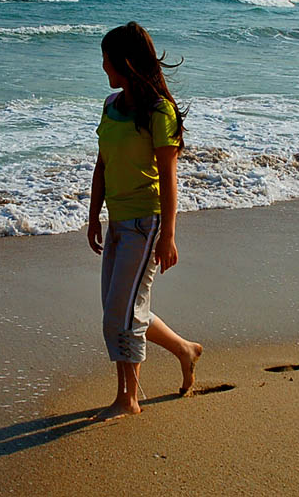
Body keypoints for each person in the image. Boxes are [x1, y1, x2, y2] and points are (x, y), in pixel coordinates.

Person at [87, 21, 203, 421]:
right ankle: (186, 350)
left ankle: (128, 398)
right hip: (117, 222)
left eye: (107, 62)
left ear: (126, 63)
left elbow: (169, 177)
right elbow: (101, 164)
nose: (104, 69)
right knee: (121, 309)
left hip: (146, 223)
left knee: (120, 315)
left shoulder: (159, 111)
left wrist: (168, 235)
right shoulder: (110, 106)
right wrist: (93, 216)